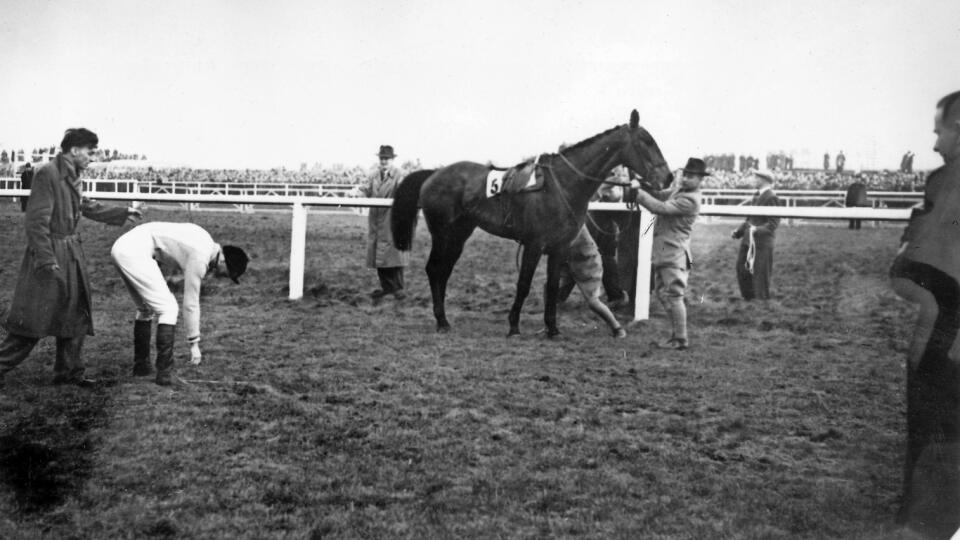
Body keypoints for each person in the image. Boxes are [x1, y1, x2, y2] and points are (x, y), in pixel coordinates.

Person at [0, 128, 141, 388]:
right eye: (90, 151)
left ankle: (69, 372)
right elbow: (36, 223)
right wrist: (46, 260)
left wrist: (121, 213)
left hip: (71, 254)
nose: (93, 156)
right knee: (31, 321)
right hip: (50, 255)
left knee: (76, 313)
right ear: (74, 150)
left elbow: (85, 206)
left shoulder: (73, 175)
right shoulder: (48, 174)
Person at [888, 89, 960, 538]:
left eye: (941, 131)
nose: (935, 144)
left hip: (948, 341)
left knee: (938, 438)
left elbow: (911, 268)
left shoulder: (948, 180)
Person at [110, 222, 249, 386]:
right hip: (134, 251)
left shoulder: (205, 239)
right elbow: (191, 303)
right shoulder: (201, 256)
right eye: (227, 274)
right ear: (223, 261)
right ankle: (165, 373)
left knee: (146, 308)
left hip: (121, 247)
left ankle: (142, 367)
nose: (223, 277)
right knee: (169, 309)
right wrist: (194, 344)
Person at [627, 157, 705, 350]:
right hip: (666, 253)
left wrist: (637, 193)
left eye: (691, 176)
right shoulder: (680, 191)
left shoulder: (690, 199)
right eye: (685, 174)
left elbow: (659, 207)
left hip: (674, 254)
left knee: (674, 295)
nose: (686, 179)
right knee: (663, 294)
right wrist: (643, 186)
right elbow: (661, 195)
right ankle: (676, 336)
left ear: (700, 180)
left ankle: (680, 339)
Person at [558, 225, 626, 338]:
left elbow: (565, 241)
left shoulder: (575, 220)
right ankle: (551, 326)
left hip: (587, 264)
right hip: (570, 260)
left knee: (593, 302)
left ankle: (617, 328)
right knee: (551, 292)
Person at [358, 145, 408, 301]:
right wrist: (357, 192)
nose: (384, 161)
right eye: (382, 158)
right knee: (378, 253)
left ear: (392, 160)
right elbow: (365, 190)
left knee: (394, 254)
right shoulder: (373, 175)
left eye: (387, 158)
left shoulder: (400, 175)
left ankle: (398, 288)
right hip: (376, 220)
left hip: (392, 220)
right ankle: (386, 288)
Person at [732, 172, 780, 301]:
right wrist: (739, 231)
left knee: (760, 273)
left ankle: (761, 301)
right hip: (748, 240)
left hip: (762, 242)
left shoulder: (771, 197)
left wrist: (756, 229)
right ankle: (748, 298)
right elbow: (750, 218)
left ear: (764, 180)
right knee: (742, 269)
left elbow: (773, 224)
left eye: (756, 178)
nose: (754, 180)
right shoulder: (756, 195)